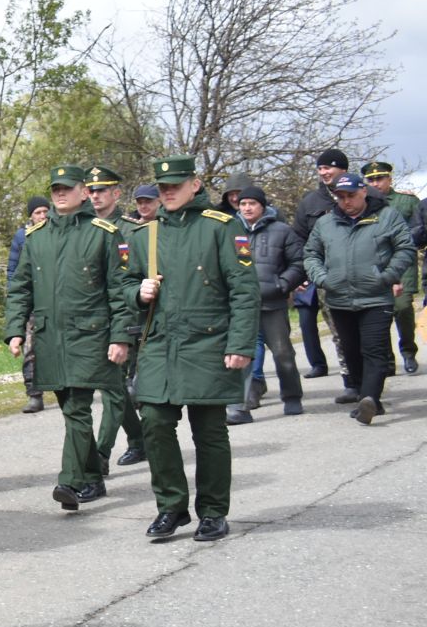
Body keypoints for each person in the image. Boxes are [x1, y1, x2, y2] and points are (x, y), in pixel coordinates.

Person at [122, 156, 259, 541]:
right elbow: (121, 288)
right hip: (160, 345)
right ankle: (171, 508)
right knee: (155, 424)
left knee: (210, 431)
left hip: (209, 343)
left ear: (195, 185)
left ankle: (213, 511)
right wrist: (139, 291)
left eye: (175, 186)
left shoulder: (222, 227)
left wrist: (240, 344)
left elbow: (244, 290)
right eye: (163, 187)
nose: (167, 193)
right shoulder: (144, 236)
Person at [3, 165, 134, 513]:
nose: (60, 194)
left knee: (77, 407)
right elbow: (20, 288)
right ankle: (93, 476)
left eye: (67, 188)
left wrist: (120, 336)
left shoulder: (103, 234)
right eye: (55, 188)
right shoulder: (36, 236)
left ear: (83, 192)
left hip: (90, 336)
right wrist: (15, 329)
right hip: (49, 337)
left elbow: (119, 292)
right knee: (68, 407)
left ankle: (69, 480)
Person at [302, 172, 413, 425]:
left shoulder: (386, 217)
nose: (346, 201)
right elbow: (310, 254)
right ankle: (371, 399)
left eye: (351, 195)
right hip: (340, 298)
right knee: (351, 352)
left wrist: (387, 276)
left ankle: (369, 399)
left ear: (363, 191)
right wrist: (323, 279)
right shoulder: (326, 223)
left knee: (374, 350)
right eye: (340, 197)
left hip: (376, 297)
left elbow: (405, 248)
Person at [86, 166, 150, 465]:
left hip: (125, 319)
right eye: (91, 190)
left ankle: (100, 453)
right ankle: (139, 439)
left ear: (116, 193)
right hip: (92, 321)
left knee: (113, 386)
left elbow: (138, 279)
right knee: (113, 386)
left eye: (102, 190)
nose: (95, 195)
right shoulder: (84, 229)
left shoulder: (131, 230)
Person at [232, 187, 304, 416]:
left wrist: (282, 284)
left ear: (262, 205)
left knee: (282, 352)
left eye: (252, 203)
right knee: (240, 353)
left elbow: (299, 263)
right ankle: (240, 406)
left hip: (273, 303)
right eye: (243, 204)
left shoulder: (281, 230)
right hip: (241, 305)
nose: (247, 208)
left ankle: (292, 397)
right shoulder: (229, 231)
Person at [290, 148, 352, 377]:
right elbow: (298, 238)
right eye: (320, 168)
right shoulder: (310, 202)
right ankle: (351, 379)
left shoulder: (365, 196)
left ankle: (376, 371)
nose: (323, 172)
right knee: (338, 329)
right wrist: (301, 273)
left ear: (343, 169)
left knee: (364, 329)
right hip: (325, 274)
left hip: (361, 273)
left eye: (328, 167)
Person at [362, 162, 421, 375]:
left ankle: (408, 350)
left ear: (389, 179)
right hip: (374, 264)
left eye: (380, 178)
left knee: (403, 307)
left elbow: (418, 227)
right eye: (371, 180)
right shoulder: (362, 203)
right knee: (379, 312)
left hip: (402, 264)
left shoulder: (407, 201)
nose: (376, 183)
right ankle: (386, 359)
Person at [9, 196, 52, 413]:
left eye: (45, 211)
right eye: (38, 213)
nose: (42, 216)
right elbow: (14, 272)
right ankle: (34, 394)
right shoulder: (22, 237)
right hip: (33, 303)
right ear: (31, 216)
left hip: (54, 300)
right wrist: (17, 307)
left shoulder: (56, 232)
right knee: (30, 349)